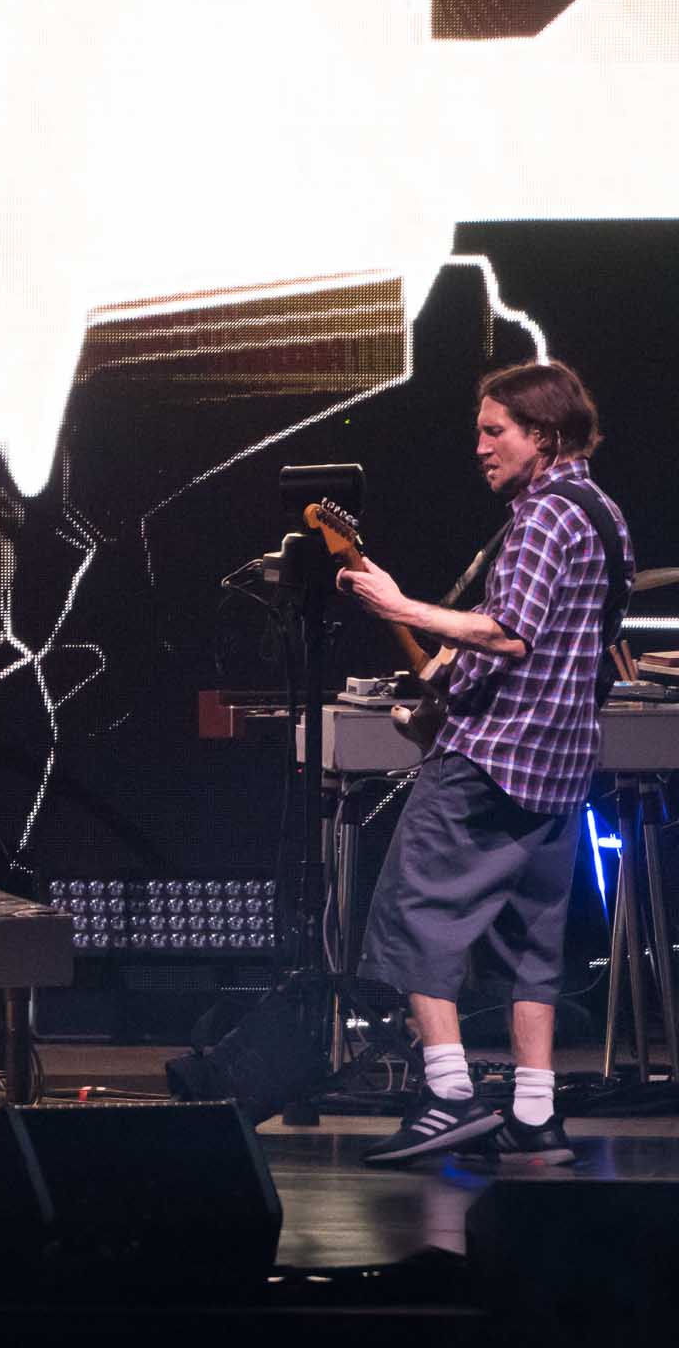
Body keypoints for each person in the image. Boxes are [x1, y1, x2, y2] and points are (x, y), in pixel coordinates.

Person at [338, 360, 632, 1167]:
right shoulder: (603, 513)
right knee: (532, 942)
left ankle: (447, 1094)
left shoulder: (542, 517)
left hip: (492, 759)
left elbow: (510, 632)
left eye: (494, 430)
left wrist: (399, 606)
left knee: (413, 913)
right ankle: (535, 1112)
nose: (480, 446)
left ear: (544, 434)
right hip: (562, 768)